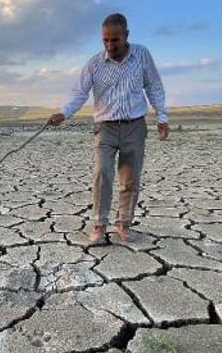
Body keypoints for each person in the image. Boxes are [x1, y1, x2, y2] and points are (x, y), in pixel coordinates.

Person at [48, 13, 169, 244]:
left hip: (134, 126)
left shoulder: (142, 55)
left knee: (130, 179)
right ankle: (99, 225)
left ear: (127, 36)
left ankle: (123, 224)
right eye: (105, 40)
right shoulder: (94, 63)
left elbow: (154, 86)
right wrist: (63, 113)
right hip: (105, 128)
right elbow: (79, 93)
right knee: (102, 173)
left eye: (115, 40)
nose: (110, 45)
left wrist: (162, 117)